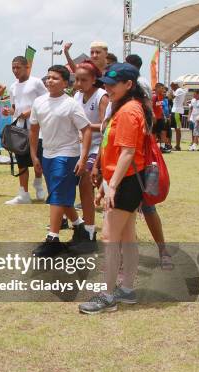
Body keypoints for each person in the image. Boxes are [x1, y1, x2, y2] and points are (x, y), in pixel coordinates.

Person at [79, 63, 152, 314]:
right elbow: (115, 150)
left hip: (126, 181)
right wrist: (107, 183)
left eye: (112, 84)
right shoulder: (124, 108)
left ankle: (108, 295)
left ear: (128, 85)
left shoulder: (130, 111)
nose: (107, 88)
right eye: (105, 84)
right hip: (124, 180)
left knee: (110, 238)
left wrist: (112, 187)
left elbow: (128, 153)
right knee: (127, 237)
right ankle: (127, 289)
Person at [29, 65, 93, 258]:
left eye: (55, 78)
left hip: (67, 154)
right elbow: (33, 130)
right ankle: (80, 227)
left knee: (57, 195)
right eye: (48, 77)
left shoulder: (71, 104)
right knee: (60, 195)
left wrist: (83, 158)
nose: (50, 81)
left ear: (66, 83)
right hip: (47, 154)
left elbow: (87, 130)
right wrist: (34, 155)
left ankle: (53, 238)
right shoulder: (39, 102)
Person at [71, 60, 109, 253]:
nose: (78, 83)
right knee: (74, 186)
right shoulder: (77, 95)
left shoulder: (102, 97)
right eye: (76, 79)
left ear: (94, 80)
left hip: (95, 146)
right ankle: (80, 227)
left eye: (83, 80)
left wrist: (83, 126)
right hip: (77, 146)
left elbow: (104, 127)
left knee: (86, 184)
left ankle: (90, 231)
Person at [2, 56, 48, 205]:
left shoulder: (36, 83)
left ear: (26, 67)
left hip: (38, 129)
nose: (15, 71)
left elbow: (46, 101)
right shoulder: (13, 86)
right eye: (13, 68)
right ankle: (23, 194)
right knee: (21, 161)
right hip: (19, 130)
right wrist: (9, 111)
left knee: (39, 159)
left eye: (18, 67)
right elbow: (15, 108)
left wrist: (30, 112)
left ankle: (39, 183)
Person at [153, 83, 172, 153]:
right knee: (154, 133)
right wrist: (153, 115)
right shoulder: (154, 96)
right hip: (155, 118)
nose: (163, 90)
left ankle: (162, 147)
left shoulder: (160, 97)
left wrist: (163, 115)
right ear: (157, 88)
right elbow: (151, 106)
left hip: (161, 118)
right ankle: (153, 148)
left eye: (163, 88)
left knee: (163, 132)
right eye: (162, 88)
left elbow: (160, 107)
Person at [170, 82, 187, 150]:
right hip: (177, 111)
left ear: (176, 85)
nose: (171, 88)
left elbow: (171, 97)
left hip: (176, 112)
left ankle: (177, 146)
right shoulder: (180, 90)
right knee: (177, 128)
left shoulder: (179, 90)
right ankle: (177, 145)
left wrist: (170, 92)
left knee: (177, 129)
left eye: (172, 86)